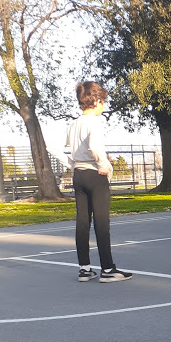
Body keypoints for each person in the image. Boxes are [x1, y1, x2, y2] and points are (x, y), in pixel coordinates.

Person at [52, 81, 132, 282]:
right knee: (102, 222)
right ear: (96, 101)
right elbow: (95, 147)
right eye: (103, 101)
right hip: (96, 174)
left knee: (83, 222)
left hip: (79, 175)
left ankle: (84, 268)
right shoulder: (95, 122)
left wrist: (72, 164)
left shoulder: (74, 124)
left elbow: (56, 148)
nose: (103, 105)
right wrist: (104, 164)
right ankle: (108, 269)